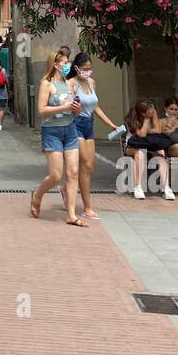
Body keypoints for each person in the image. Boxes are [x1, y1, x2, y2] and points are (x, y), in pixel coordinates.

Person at [31, 51, 86, 226]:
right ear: (55, 65)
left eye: (67, 62)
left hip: (70, 130)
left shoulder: (70, 84)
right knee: (55, 175)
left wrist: (76, 108)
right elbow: (41, 110)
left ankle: (71, 214)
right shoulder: (46, 84)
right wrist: (62, 107)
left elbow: (75, 109)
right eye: (64, 62)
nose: (67, 65)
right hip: (52, 132)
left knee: (73, 173)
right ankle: (38, 195)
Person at [66, 52, 121, 219]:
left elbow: (96, 107)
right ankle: (87, 207)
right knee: (85, 164)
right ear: (76, 68)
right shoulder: (71, 84)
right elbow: (68, 107)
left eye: (90, 69)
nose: (88, 72)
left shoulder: (91, 82)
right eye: (85, 69)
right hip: (76, 124)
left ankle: (65, 189)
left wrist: (111, 124)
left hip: (89, 123)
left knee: (90, 166)